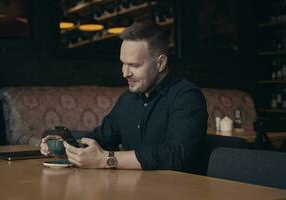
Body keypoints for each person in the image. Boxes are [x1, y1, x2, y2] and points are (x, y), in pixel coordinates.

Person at [41, 20, 208, 171]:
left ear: (161, 63)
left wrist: (106, 160)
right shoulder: (128, 99)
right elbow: (101, 139)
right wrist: (66, 145)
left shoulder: (187, 97)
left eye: (134, 65)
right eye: (123, 63)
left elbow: (175, 154)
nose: (125, 73)